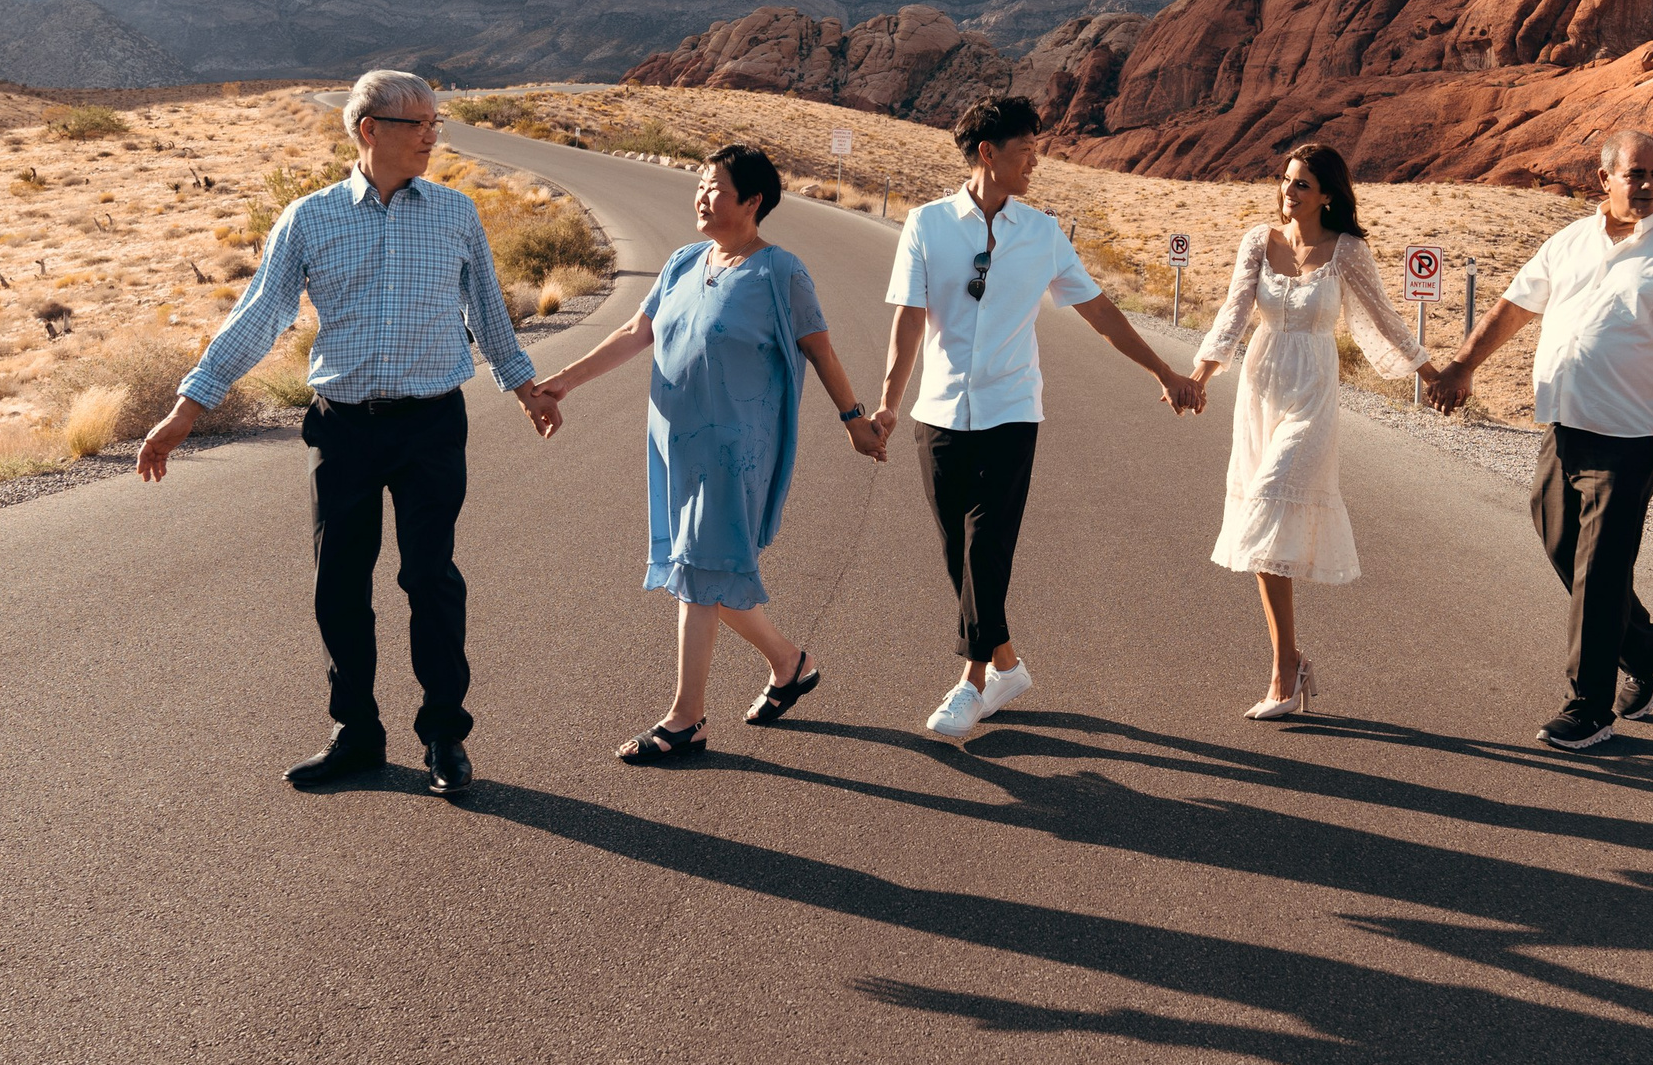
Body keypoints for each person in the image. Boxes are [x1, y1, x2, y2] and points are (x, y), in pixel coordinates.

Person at [137, 69, 562, 797]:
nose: (433, 135)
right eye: (419, 123)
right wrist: (187, 409)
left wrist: (525, 388)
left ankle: (444, 735)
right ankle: (357, 732)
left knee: (430, 578)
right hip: (342, 430)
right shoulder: (309, 218)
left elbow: (489, 312)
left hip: (432, 423)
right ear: (370, 129)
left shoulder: (456, 213)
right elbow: (259, 315)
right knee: (339, 583)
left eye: (435, 122)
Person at [534, 144, 887, 764]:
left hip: (737, 448)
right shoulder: (682, 262)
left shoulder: (781, 273)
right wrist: (563, 382)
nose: (701, 196)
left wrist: (854, 419)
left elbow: (821, 350)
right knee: (704, 568)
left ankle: (685, 718)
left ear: (752, 201)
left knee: (698, 569)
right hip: (678, 442)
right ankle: (788, 663)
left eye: (716, 187)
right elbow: (636, 333)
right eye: (700, 185)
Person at [1426, 129, 1653, 752]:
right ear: (1605, 178)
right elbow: (1513, 307)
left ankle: (1590, 706)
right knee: (1560, 541)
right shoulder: (1568, 242)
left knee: (1602, 566)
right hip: (1565, 424)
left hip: (1632, 434)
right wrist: (1463, 365)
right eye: (1635, 174)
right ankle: (1648, 649)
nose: (1647, 186)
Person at [875, 95, 1205, 743]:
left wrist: (1164, 371)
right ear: (987, 153)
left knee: (986, 545)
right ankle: (1007, 666)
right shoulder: (927, 224)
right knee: (957, 553)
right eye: (1025, 152)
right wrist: (889, 400)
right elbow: (908, 318)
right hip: (938, 411)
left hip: (1011, 410)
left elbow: (1100, 311)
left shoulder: (1043, 233)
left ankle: (971, 683)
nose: (1035, 163)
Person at [1190, 145, 1443, 718]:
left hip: (1312, 389)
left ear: (1328, 194)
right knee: (1262, 527)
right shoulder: (1258, 241)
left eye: (1302, 184)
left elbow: (1383, 316)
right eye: (1286, 180)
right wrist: (1200, 377)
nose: (1289, 191)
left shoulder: (1347, 250)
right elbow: (1233, 312)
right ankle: (1288, 661)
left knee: (1267, 501)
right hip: (1261, 385)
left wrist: (1433, 375)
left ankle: (1285, 669)